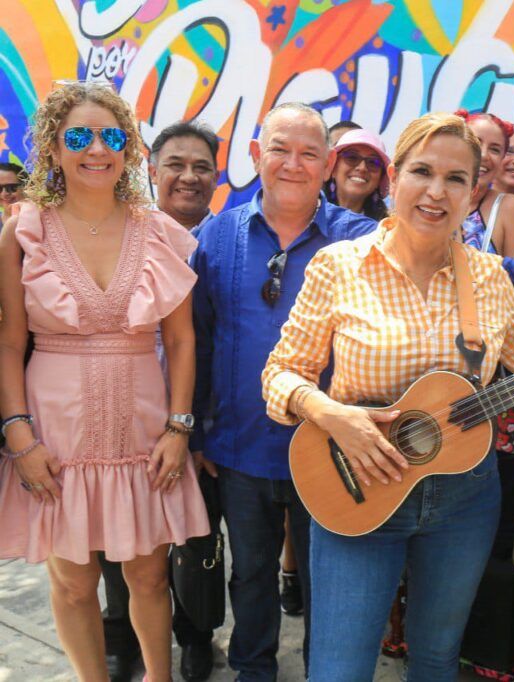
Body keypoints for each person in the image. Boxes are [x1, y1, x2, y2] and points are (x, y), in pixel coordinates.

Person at [261, 111, 514, 681]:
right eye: (423, 171)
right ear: (394, 177)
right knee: (339, 670)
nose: (437, 192)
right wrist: (330, 413)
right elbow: (281, 374)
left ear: (474, 191)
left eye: (456, 178)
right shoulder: (339, 266)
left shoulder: (488, 278)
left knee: (437, 658)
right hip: (357, 487)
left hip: (464, 500)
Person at [0, 82, 209, 681]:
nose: (97, 149)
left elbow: (181, 340)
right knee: (72, 582)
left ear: (127, 148)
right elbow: (9, 341)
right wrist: (19, 435)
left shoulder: (158, 230)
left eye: (111, 136)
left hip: (144, 434)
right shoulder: (23, 231)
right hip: (54, 436)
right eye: (79, 137)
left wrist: (179, 428)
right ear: (53, 147)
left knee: (149, 575)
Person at [190, 102, 376, 681]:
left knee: (330, 580)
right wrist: (196, 433)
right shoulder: (217, 235)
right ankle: (253, 670)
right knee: (250, 573)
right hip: (240, 448)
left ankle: (328, 670)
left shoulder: (363, 240)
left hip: (334, 450)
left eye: (309, 153)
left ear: (328, 164)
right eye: (280, 149)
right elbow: (197, 339)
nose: (293, 164)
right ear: (255, 156)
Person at [96, 119, 221, 682]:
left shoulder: (224, 242)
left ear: (216, 176)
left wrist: (199, 429)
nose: (188, 177)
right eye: (176, 164)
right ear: (151, 169)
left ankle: (195, 639)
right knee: (117, 543)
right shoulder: (121, 233)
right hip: (123, 419)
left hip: (198, 427)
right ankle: (120, 638)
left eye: (202, 167)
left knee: (196, 545)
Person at [454, 110, 514, 289]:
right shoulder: (433, 197)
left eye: (495, 149)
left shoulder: (508, 207)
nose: (484, 155)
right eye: (476, 143)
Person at [327, 128, 390, 221]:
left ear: (380, 179)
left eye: (373, 162)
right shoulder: (307, 213)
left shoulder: (386, 228)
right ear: (333, 168)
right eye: (352, 157)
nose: (362, 168)